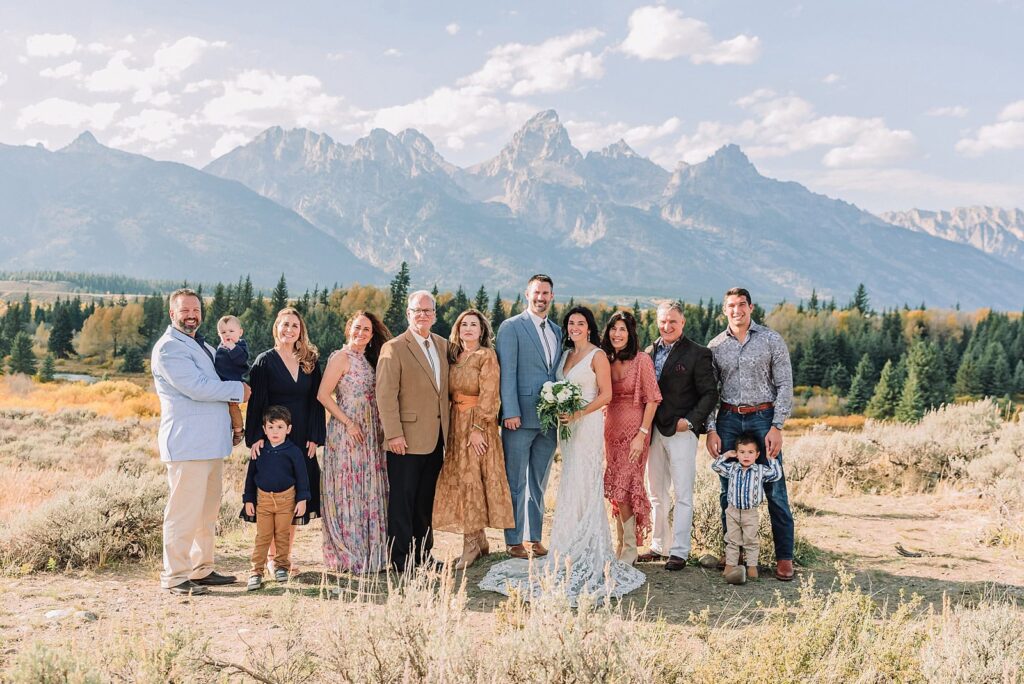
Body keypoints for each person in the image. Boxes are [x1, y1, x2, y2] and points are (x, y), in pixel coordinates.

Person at [480, 306, 646, 604]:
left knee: (585, 480)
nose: (574, 327)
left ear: (590, 327)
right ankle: (567, 543)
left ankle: (588, 545)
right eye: (571, 323)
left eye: (580, 323)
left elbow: (606, 395)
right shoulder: (565, 355)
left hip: (588, 425)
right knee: (569, 480)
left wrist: (580, 411)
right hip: (566, 429)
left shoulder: (598, 356)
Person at [151, 287, 249, 595]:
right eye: (185, 310)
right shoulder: (169, 348)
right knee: (183, 512)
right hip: (187, 444)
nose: (192, 315)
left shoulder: (202, 345)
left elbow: (215, 381)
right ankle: (176, 575)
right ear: (172, 314)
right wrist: (239, 390)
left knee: (206, 513)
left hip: (210, 444)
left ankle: (201, 568)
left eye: (196, 310)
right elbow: (197, 387)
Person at [705, 287, 796, 581]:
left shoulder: (771, 340)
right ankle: (734, 555)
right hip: (729, 419)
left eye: (741, 305)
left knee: (776, 490)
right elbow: (710, 392)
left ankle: (784, 558)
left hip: (764, 417)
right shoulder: (716, 345)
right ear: (724, 310)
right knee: (727, 490)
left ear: (751, 307)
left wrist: (777, 425)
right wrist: (711, 428)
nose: (737, 310)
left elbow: (785, 384)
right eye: (731, 305)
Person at [637, 302, 718, 571]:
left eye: (673, 321)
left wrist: (692, 421)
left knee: (683, 493)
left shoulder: (698, 353)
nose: (667, 326)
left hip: (681, 431)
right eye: (663, 321)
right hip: (653, 431)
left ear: (682, 322)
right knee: (656, 492)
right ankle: (659, 545)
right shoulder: (649, 352)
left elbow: (709, 393)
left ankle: (680, 551)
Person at [245, 307, 326, 573]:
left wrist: (315, 437)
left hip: (301, 438)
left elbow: (317, 401)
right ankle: (270, 559)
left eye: (294, 325)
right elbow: (256, 402)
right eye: (284, 324)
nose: (289, 330)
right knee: (271, 497)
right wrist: (256, 437)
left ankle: (284, 558)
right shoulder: (264, 362)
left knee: (293, 499)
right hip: (273, 438)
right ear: (276, 328)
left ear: (300, 329)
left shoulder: (310, 361)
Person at [433, 309, 514, 570]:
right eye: (464, 324)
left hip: (476, 425)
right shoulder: (455, 357)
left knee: (472, 481)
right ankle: (480, 542)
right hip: (456, 425)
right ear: (458, 329)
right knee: (463, 480)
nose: (468, 329)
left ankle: (469, 545)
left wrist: (479, 427)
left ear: (482, 331)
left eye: (474, 325)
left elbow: (491, 393)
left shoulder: (485, 356)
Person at [376, 290, 450, 572]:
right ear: (408, 314)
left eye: (428, 311)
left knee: (424, 502)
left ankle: (423, 555)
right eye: (417, 310)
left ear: (434, 315)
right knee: (402, 501)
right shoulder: (394, 348)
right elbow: (385, 395)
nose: (423, 315)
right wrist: (393, 433)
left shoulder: (443, 345)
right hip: (404, 440)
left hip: (436, 438)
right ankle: (400, 559)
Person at [317, 311, 392, 574]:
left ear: (372, 336)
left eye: (367, 330)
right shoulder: (341, 357)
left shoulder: (369, 359)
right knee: (349, 486)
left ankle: (373, 550)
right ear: (349, 329)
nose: (361, 333)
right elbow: (323, 395)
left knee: (368, 487)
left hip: (371, 431)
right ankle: (350, 551)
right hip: (348, 431)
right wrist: (349, 423)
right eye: (357, 328)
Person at [496, 274, 562, 559]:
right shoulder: (511, 328)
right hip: (519, 419)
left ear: (552, 297)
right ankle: (513, 540)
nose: (541, 297)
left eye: (546, 293)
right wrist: (510, 411)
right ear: (527, 294)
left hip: (549, 421)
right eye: (536, 292)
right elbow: (506, 372)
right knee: (516, 481)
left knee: (539, 481)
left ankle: (534, 538)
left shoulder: (557, 331)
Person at [600, 311, 661, 565]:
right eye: (613, 329)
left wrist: (642, 434)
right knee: (616, 487)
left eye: (622, 329)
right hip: (610, 429)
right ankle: (619, 543)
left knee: (626, 485)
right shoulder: (604, 359)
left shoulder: (642, 360)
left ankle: (630, 548)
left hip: (635, 431)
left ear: (630, 333)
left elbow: (653, 399)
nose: (617, 334)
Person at [242, 406, 311, 590]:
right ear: (264, 429)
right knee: (263, 536)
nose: (275, 432)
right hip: (263, 500)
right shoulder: (259, 451)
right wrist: (248, 499)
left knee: (283, 535)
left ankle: (282, 566)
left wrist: (302, 499)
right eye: (271, 427)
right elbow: (250, 477)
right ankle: (256, 571)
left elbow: (302, 477)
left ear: (288, 429)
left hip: (286, 500)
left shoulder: (294, 451)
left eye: (280, 427)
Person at [710, 433, 782, 585]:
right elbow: (715, 466)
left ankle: (751, 567)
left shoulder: (760, 470)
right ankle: (730, 565)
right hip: (733, 511)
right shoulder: (732, 469)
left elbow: (776, 474)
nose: (746, 456)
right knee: (732, 540)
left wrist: (771, 459)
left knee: (751, 540)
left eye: (750, 452)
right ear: (737, 454)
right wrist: (726, 455)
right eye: (742, 452)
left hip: (750, 513)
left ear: (757, 455)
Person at [214, 314, 249, 446]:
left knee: (232, 407)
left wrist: (232, 347)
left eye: (231, 331)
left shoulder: (240, 346)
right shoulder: (222, 346)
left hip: (233, 382)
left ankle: (239, 430)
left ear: (240, 332)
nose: (227, 334)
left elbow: (242, 360)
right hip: (221, 382)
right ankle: (226, 429)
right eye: (223, 332)